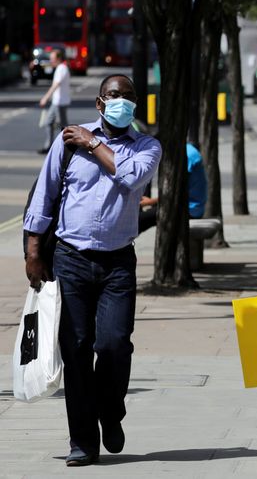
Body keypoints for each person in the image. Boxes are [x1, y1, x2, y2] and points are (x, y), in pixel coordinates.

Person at [23, 74, 161, 466]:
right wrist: (34, 252)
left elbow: (132, 177)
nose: (122, 101)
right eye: (114, 95)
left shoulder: (147, 146)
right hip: (70, 258)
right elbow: (45, 196)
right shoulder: (68, 142)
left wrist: (94, 143)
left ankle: (111, 411)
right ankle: (82, 440)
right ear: (100, 103)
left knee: (114, 344)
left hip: (117, 261)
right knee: (77, 350)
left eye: (128, 96)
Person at [138, 142, 207, 234]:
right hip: (191, 206)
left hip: (189, 209)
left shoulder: (186, 155)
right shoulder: (187, 149)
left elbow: (176, 191)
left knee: (139, 221)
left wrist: (150, 201)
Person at [38, 49, 71, 154]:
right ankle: (49, 146)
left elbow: (55, 85)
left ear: (58, 58)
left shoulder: (61, 68)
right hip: (57, 102)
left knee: (63, 127)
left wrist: (45, 97)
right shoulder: (61, 68)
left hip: (60, 102)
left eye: (52, 58)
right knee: (50, 122)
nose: (51, 61)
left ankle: (67, 147)